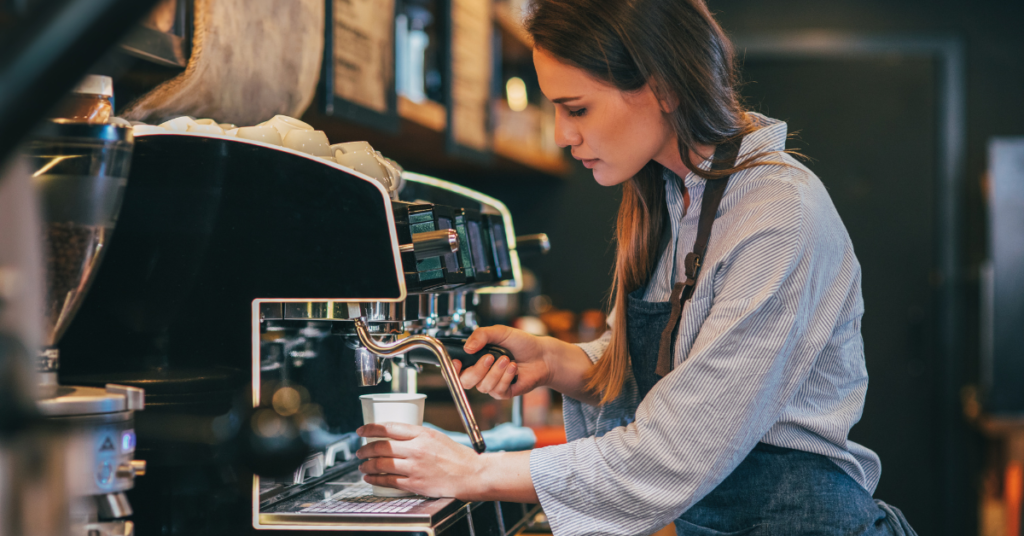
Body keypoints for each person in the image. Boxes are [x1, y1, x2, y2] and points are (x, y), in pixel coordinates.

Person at [355, 0, 918, 534]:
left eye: (576, 108)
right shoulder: (673, 197)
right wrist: (560, 361)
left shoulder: (777, 216)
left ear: (665, 86)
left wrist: (472, 473)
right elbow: (685, 362)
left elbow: (676, 448)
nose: (561, 135)